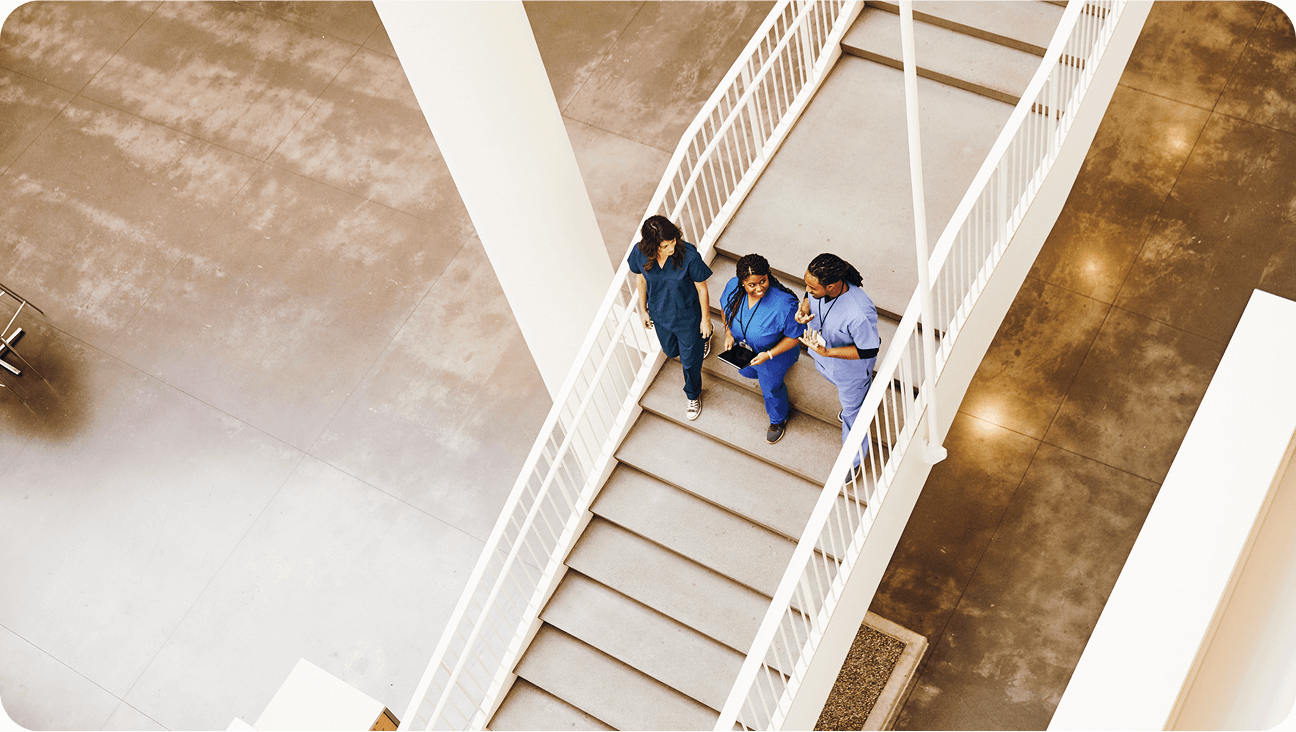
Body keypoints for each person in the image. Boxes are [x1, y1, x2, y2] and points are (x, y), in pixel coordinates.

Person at [796, 253, 880, 473]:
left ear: (831, 287)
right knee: (849, 400)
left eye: (812, 288)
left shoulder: (858, 312)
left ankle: (854, 462)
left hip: (850, 372)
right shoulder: (816, 289)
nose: (807, 290)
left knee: (853, 413)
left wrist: (828, 351)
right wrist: (802, 311)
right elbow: (807, 297)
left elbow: (869, 349)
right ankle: (859, 400)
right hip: (823, 361)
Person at [629, 215, 713, 420]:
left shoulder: (689, 255)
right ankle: (703, 338)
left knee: (689, 361)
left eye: (673, 241)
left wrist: (705, 319)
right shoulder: (640, 254)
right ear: (653, 246)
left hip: (688, 317)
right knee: (671, 351)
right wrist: (643, 309)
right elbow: (641, 280)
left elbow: (702, 290)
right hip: (660, 314)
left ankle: (693, 394)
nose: (672, 247)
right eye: (666, 245)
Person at [720, 254, 805, 444]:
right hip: (743, 350)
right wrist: (728, 334)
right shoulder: (733, 287)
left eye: (763, 281)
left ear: (768, 275)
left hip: (773, 357)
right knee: (748, 372)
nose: (759, 288)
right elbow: (725, 311)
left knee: (771, 389)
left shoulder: (785, 304)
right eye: (752, 285)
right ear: (742, 283)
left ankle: (778, 420)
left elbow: (795, 336)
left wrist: (769, 354)